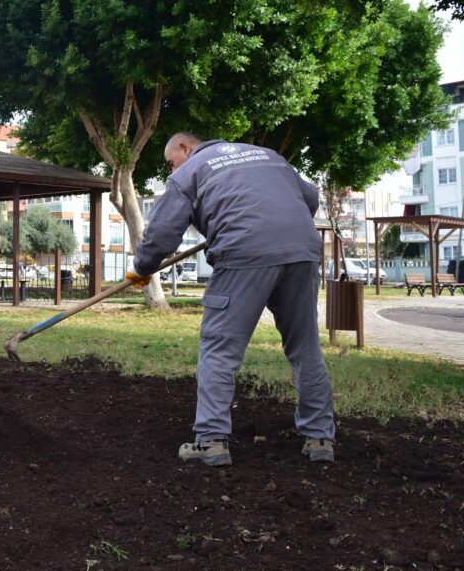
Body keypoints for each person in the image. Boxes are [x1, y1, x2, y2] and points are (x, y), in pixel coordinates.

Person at [129, 132, 335, 466]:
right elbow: (309, 199)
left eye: (170, 161)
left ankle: (210, 440)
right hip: (302, 250)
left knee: (219, 348)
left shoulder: (189, 171)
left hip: (243, 252)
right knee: (305, 346)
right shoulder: (267, 155)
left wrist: (141, 268)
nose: (171, 168)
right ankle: (320, 437)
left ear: (185, 147)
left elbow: (163, 234)